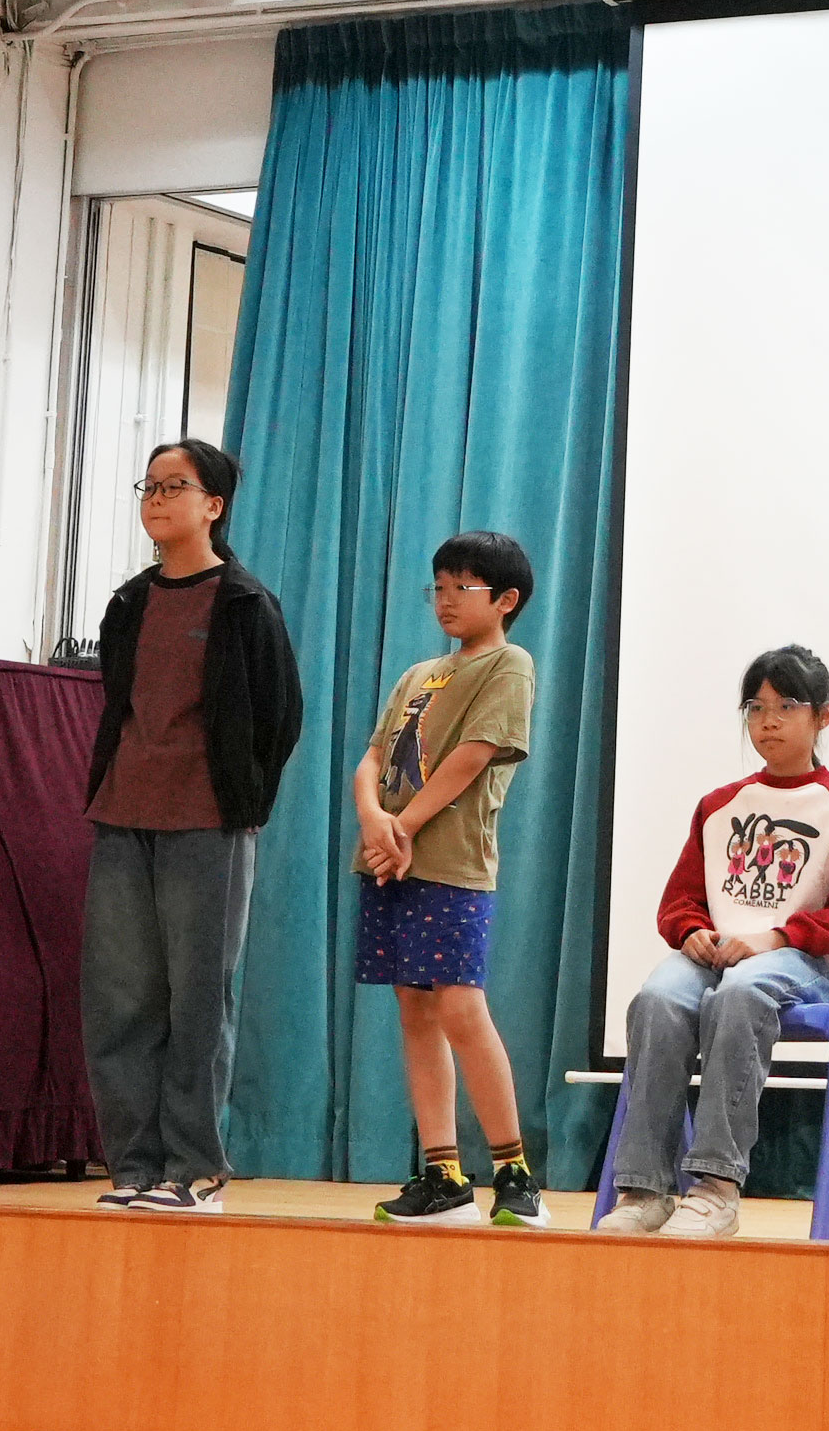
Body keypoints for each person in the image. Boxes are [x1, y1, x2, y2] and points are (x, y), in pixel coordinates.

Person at [79, 434, 304, 1215]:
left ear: (213, 504)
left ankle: (196, 1170)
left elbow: (280, 716)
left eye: (173, 486)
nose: (156, 499)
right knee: (119, 1001)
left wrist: (242, 803)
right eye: (148, 486)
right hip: (122, 815)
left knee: (198, 1001)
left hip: (208, 823)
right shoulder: (128, 603)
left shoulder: (244, 604)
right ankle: (134, 1167)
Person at [597, 645, 829, 1241]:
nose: (768, 721)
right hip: (718, 955)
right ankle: (645, 1189)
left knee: (741, 993)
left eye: (787, 706)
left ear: (823, 716)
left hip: (804, 960)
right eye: (755, 708)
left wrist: (775, 937)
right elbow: (680, 900)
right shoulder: (720, 805)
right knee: (657, 998)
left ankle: (716, 1187)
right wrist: (691, 932)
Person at [358, 529, 545, 1229]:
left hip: (450, 863)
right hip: (390, 859)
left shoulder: (509, 663)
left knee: (461, 1008)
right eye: (437, 587)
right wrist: (375, 819)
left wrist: (402, 828)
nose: (444, 600)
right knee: (414, 1008)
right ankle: (443, 1173)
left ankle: (514, 1172)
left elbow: (473, 756)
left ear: (505, 600)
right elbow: (372, 758)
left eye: (461, 587)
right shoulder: (418, 674)